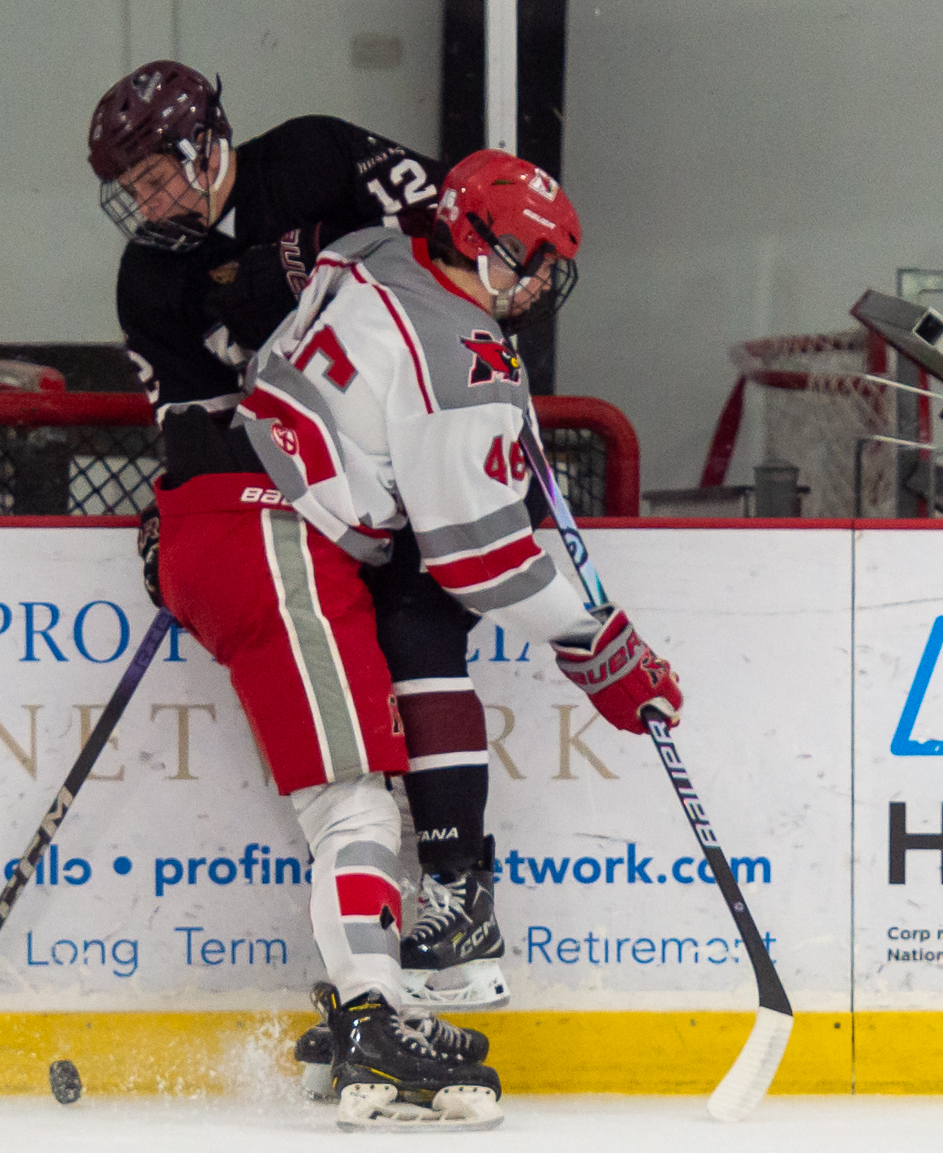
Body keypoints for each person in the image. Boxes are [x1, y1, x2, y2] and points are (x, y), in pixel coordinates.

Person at [88, 63, 505, 1128]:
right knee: (350, 790)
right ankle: (373, 1012)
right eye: (130, 189)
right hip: (283, 515)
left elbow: (464, 240)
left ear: (207, 143)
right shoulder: (150, 278)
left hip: (378, 478)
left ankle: (405, 950)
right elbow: (196, 418)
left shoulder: (315, 156)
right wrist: (186, 499)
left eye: (155, 175)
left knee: (381, 727)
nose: (148, 202)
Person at [227, 148, 684, 1113]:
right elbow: (481, 560)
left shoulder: (372, 249)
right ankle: (441, 922)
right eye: (533, 259)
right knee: (364, 769)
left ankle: (422, 945)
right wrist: (596, 642)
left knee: (413, 622)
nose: (544, 282)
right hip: (289, 530)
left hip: (271, 494)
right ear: (478, 243)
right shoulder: (460, 358)